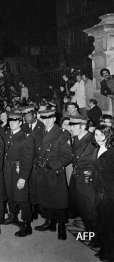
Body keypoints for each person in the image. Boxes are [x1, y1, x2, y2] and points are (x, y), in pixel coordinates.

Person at [32, 110, 72, 241]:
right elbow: (34, 151)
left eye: (50, 118)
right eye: (44, 118)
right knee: (44, 197)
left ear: (54, 118)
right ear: (41, 119)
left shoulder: (62, 134)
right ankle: (49, 223)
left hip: (54, 171)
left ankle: (61, 227)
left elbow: (67, 156)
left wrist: (52, 165)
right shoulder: (38, 132)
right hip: (41, 170)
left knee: (58, 200)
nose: (47, 120)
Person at [68, 116, 99, 247]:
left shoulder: (93, 140)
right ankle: (89, 233)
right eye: (71, 125)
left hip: (88, 180)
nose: (71, 128)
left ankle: (97, 238)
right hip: (77, 178)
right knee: (81, 207)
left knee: (90, 209)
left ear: (83, 126)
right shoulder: (76, 138)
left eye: (74, 126)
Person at [2, 113, 34, 237]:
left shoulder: (26, 138)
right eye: (10, 121)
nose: (12, 123)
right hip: (7, 168)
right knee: (10, 194)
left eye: (15, 121)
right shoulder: (6, 135)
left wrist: (23, 177)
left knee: (22, 197)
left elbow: (28, 159)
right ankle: (13, 216)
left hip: (18, 169)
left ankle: (27, 224)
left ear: (20, 122)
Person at [92, 125, 114, 262]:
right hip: (99, 192)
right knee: (102, 223)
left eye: (101, 135)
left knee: (110, 225)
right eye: (95, 135)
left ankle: (110, 255)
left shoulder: (112, 152)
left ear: (108, 135)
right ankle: (104, 250)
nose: (98, 138)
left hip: (110, 194)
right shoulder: (97, 149)